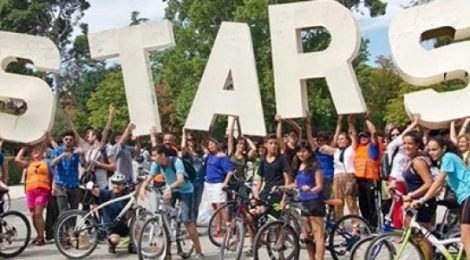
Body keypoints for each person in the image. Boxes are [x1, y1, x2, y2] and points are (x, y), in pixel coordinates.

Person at [140, 144, 204, 259]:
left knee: (187, 220)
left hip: (185, 190)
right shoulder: (157, 164)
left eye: (155, 155)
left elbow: (180, 180)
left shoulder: (176, 162)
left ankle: (198, 251)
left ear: (163, 155)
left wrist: (169, 188)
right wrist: (143, 186)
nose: (153, 158)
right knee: (165, 219)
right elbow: (150, 177)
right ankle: (167, 252)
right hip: (170, 191)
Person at [413, 136, 470, 258]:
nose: (431, 153)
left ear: (443, 148)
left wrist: (422, 200)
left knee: (466, 239)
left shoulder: (448, 157)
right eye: (429, 150)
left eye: (434, 149)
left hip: (468, 195)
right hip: (464, 198)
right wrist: (426, 198)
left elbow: (438, 181)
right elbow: (439, 187)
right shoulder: (447, 159)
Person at [400, 131, 436, 260]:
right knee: (416, 236)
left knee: (422, 238)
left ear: (417, 145)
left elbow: (429, 183)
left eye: (410, 143)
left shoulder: (418, 162)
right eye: (404, 143)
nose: (406, 146)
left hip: (423, 202)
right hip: (415, 203)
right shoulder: (410, 160)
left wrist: (411, 195)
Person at [319, 115, 359, 221]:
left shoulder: (351, 149)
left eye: (342, 139)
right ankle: (339, 224)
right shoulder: (336, 151)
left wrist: (350, 123)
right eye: (338, 140)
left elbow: (353, 134)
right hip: (337, 176)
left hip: (349, 176)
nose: (340, 141)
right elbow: (322, 148)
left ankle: (356, 225)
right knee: (338, 202)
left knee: (351, 202)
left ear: (347, 140)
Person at [290, 140, 325, 260]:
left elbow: (320, 185)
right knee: (306, 236)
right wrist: (282, 187)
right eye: (299, 151)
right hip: (304, 203)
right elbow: (295, 184)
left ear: (309, 152)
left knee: (318, 235)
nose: (301, 154)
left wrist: (310, 190)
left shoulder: (315, 165)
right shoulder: (298, 166)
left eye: (304, 151)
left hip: (315, 201)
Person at [85, 172, 133, 254]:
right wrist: (90, 185)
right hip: (111, 228)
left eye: (119, 184)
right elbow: (95, 191)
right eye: (114, 183)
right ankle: (112, 245)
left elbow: (130, 214)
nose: (116, 186)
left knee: (137, 226)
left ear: (123, 185)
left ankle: (132, 245)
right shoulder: (107, 194)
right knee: (115, 240)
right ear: (111, 184)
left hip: (122, 226)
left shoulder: (126, 197)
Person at [15, 142, 52, 246]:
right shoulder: (29, 164)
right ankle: (39, 235)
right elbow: (17, 160)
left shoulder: (46, 163)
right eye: (33, 151)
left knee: (38, 213)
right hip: (30, 191)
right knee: (32, 215)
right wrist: (24, 148)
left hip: (42, 191)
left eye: (38, 150)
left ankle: (41, 236)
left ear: (42, 153)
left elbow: (54, 173)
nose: (35, 151)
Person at [386, 115, 419, 228]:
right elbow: (403, 137)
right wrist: (413, 124)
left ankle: (408, 227)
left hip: (407, 178)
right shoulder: (392, 147)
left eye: (396, 134)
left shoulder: (410, 149)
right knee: (397, 204)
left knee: (409, 204)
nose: (395, 136)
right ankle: (398, 228)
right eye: (392, 135)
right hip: (395, 178)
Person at [351, 114, 381, 229]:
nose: (363, 138)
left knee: (371, 205)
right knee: (363, 205)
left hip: (370, 179)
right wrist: (351, 123)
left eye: (365, 137)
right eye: (361, 137)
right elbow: (353, 135)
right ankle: (367, 225)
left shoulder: (372, 147)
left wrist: (366, 118)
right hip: (360, 180)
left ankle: (374, 226)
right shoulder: (358, 148)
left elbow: (373, 132)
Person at [204, 138, 234, 238]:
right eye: (209, 145)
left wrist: (225, 183)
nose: (210, 146)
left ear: (217, 144)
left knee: (220, 206)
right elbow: (202, 144)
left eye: (212, 144)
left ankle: (229, 226)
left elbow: (230, 171)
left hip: (218, 183)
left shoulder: (222, 157)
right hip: (209, 183)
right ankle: (218, 228)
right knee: (214, 206)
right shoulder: (210, 155)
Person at [51, 130, 84, 215]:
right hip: (61, 185)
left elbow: (84, 165)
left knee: (74, 211)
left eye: (71, 140)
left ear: (73, 141)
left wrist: (82, 154)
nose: (68, 141)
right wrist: (62, 155)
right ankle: (63, 228)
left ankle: (71, 228)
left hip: (74, 185)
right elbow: (52, 164)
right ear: (63, 140)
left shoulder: (76, 152)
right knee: (63, 211)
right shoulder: (58, 151)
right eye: (66, 139)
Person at [305, 111, 334, 200]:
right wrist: (308, 121)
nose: (319, 142)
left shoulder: (330, 149)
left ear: (326, 141)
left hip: (328, 177)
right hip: (317, 177)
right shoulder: (316, 150)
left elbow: (336, 136)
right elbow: (309, 135)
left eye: (322, 140)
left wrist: (340, 121)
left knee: (328, 199)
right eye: (318, 140)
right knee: (317, 199)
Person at [181, 129, 206, 221]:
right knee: (189, 205)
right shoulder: (186, 153)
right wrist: (184, 134)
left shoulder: (200, 152)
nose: (191, 141)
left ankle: (193, 225)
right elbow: (182, 147)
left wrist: (205, 134)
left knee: (196, 205)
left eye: (193, 139)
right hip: (189, 182)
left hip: (199, 181)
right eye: (189, 140)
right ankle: (188, 225)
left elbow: (207, 148)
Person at [227, 116, 257, 181]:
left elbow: (254, 149)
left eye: (243, 144)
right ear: (236, 145)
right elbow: (230, 136)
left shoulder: (245, 156)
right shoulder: (231, 153)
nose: (242, 145)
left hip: (241, 181)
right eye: (240, 144)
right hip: (231, 181)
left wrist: (246, 138)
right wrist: (234, 120)